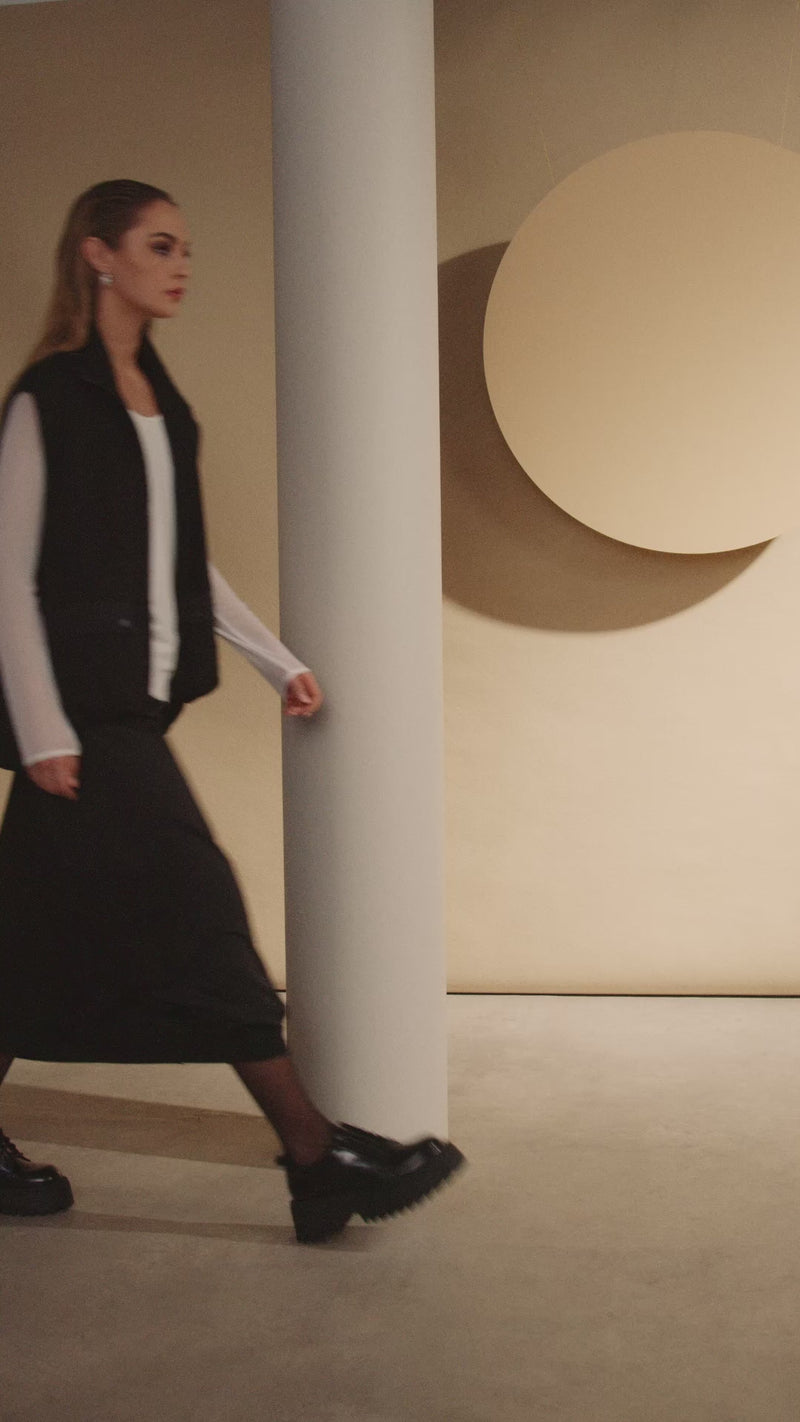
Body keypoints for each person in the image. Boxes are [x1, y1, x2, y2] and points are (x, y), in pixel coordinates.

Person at [0, 179, 463, 1244]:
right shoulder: (47, 399)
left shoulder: (159, 403)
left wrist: (272, 658)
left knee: (22, 942)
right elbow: (9, 576)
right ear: (98, 254)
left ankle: (316, 1158)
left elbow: (179, 564)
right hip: (87, 720)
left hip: (133, 710)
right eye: (161, 245)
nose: (183, 266)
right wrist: (43, 729)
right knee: (202, 910)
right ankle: (316, 1155)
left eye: (186, 249)